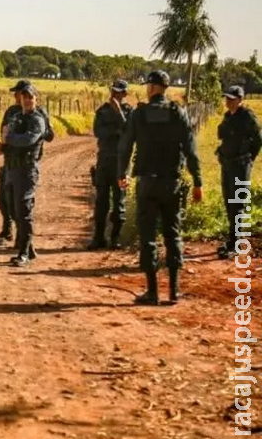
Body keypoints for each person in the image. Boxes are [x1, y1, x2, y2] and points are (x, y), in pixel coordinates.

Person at [117, 70, 203, 305]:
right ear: (165, 88)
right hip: (172, 183)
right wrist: (198, 181)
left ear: (152, 88)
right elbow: (190, 149)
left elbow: (125, 147)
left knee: (148, 235)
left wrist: (121, 174)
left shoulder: (139, 113)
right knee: (172, 234)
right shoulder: (178, 113)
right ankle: (174, 291)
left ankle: (153, 291)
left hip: (147, 183)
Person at [0, 80, 54, 246]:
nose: (17, 96)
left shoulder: (38, 115)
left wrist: (37, 127)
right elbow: (4, 132)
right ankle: (9, 229)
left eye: (20, 93)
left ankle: (24, 243)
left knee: (23, 205)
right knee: (4, 199)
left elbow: (48, 135)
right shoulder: (13, 112)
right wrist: (3, 146)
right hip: (10, 160)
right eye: (19, 94)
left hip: (27, 162)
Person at [216, 85, 262, 259]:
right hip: (227, 165)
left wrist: (249, 158)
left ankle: (236, 242)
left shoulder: (247, 117)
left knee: (238, 202)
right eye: (226, 98)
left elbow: (258, 140)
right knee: (229, 201)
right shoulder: (227, 117)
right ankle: (233, 237)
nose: (228, 101)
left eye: (231, 99)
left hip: (241, 165)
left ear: (240, 99)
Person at [88, 79, 134, 250]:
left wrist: (118, 114)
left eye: (119, 93)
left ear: (125, 94)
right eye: (113, 92)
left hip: (121, 162)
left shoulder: (129, 112)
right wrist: (116, 131)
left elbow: (129, 131)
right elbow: (98, 132)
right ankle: (98, 238)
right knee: (101, 201)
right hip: (104, 160)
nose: (115, 96)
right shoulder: (102, 111)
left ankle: (115, 238)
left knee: (119, 202)